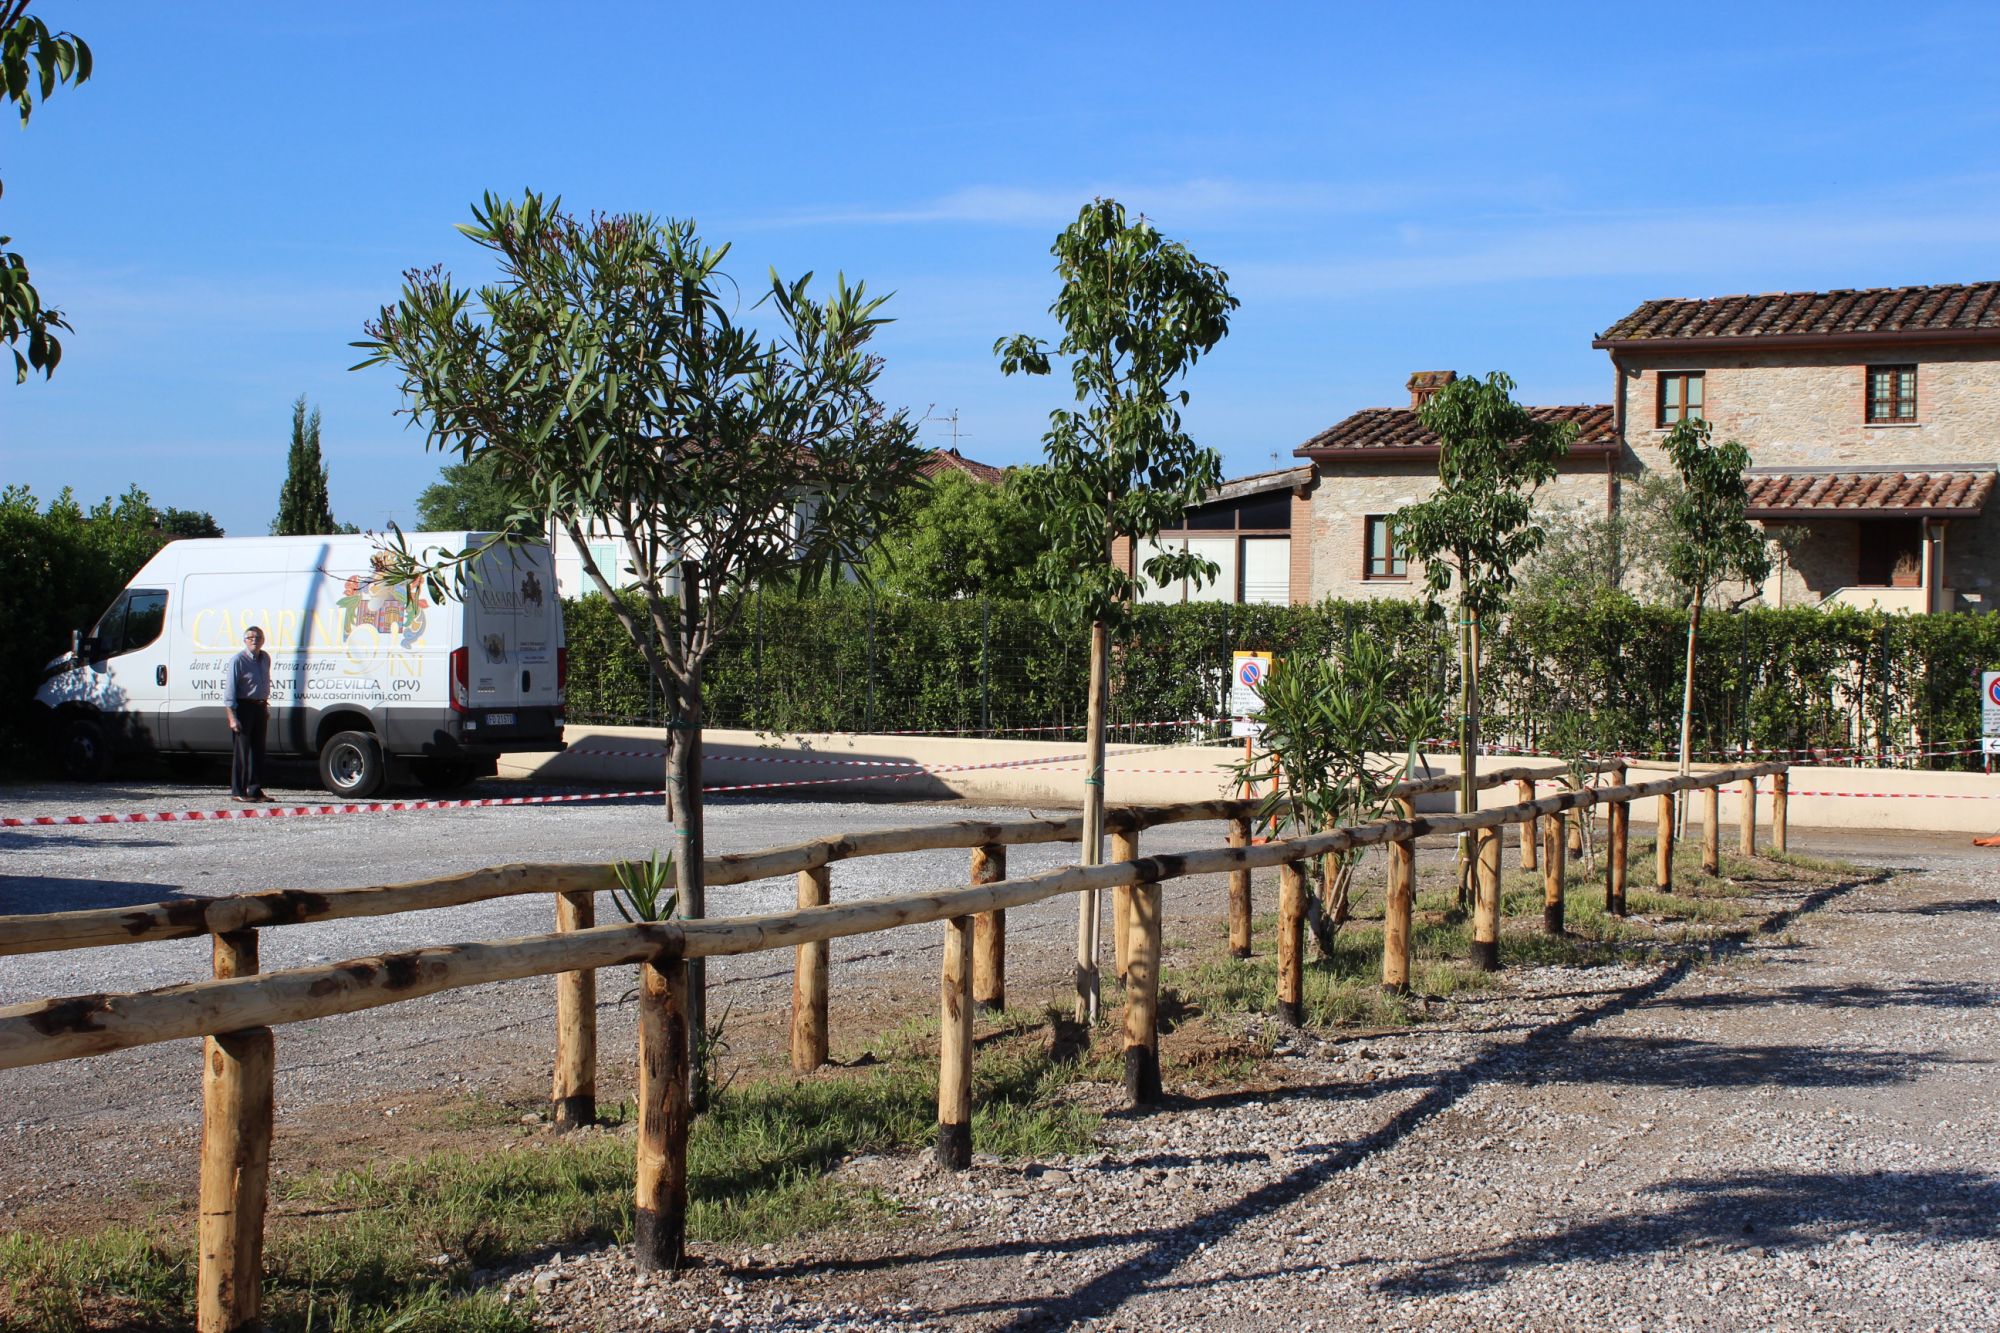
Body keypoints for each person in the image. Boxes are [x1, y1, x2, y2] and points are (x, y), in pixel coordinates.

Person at [223, 626, 272, 802]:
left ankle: (255, 790)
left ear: (263, 640)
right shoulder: (238, 660)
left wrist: (265, 708)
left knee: (258, 751)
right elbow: (229, 690)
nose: (254, 640)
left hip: (260, 707)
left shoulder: (265, 658)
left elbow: (264, 682)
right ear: (244, 640)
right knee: (242, 751)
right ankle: (238, 791)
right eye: (250, 637)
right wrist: (232, 717)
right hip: (243, 707)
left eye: (258, 637)